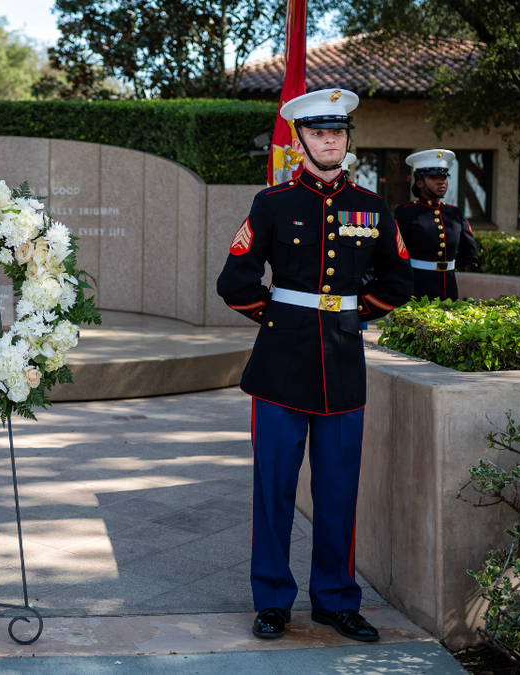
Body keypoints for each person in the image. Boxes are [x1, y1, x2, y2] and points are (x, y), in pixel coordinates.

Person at [216, 88, 413, 643]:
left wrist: (352, 317)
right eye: (320, 133)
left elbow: (398, 280)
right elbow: (235, 282)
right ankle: (273, 600)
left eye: (339, 132)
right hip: (280, 366)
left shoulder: (374, 207)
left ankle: (334, 600)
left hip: (344, 366)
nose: (330, 140)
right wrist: (280, 320)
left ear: (348, 140)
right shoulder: (273, 203)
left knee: (338, 491)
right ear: (300, 141)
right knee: (274, 488)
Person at [395, 150, 479, 300]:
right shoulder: (406, 212)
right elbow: (395, 253)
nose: (441, 182)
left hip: (449, 288)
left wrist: (448, 266)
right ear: (419, 182)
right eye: (433, 178)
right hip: (415, 289)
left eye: (444, 177)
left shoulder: (455, 213)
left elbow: (470, 254)